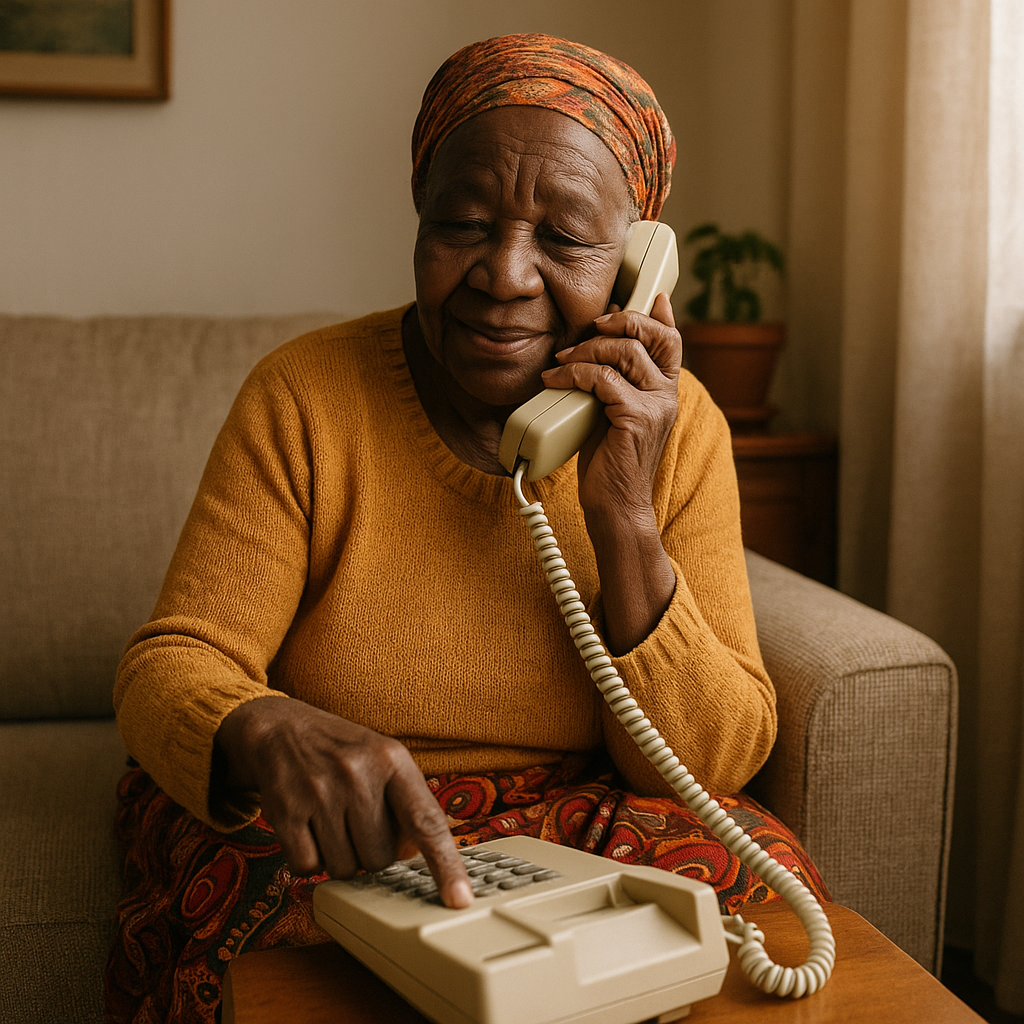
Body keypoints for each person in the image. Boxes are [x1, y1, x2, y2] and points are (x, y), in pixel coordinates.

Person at [105, 33, 827, 1024]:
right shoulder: (305, 396)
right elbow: (170, 664)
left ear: (634, 264)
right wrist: (259, 726)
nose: (504, 275)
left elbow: (711, 762)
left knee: (752, 893)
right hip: (348, 825)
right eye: (463, 225)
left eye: (565, 241)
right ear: (417, 220)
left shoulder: (677, 421)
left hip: (569, 816)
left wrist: (622, 509)